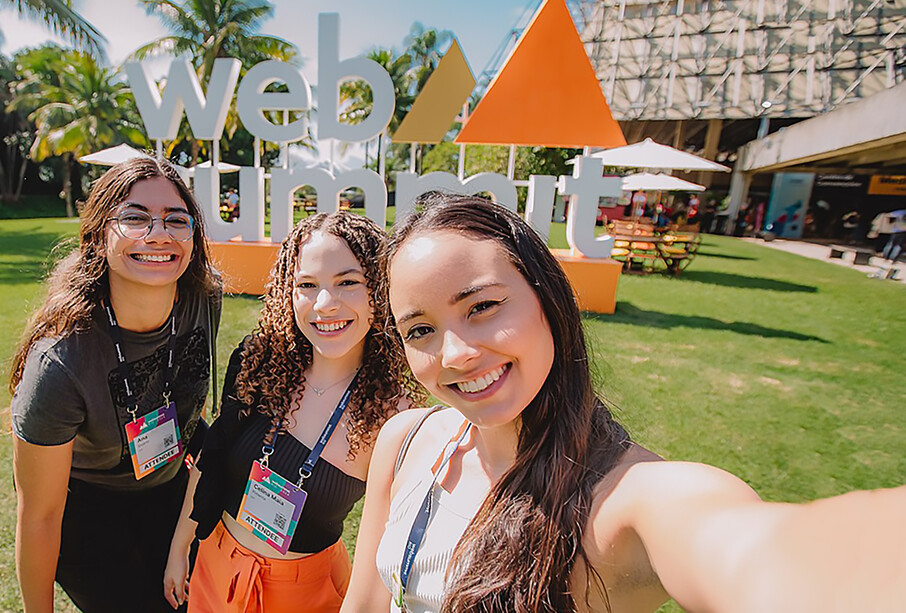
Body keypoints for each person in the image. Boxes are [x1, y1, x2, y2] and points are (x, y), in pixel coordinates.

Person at [343, 192, 906, 613]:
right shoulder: (408, 441)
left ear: (548, 298)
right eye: (420, 331)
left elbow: (752, 551)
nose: (457, 354)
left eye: (483, 306)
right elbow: (365, 605)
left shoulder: (623, 500)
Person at [170, 211, 425, 612]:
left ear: (380, 290)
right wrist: (180, 545)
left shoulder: (396, 417)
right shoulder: (257, 365)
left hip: (306, 594)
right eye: (307, 284)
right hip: (216, 566)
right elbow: (212, 456)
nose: (325, 304)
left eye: (348, 282)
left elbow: (386, 553)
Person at [9, 157, 221, 613]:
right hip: (89, 513)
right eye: (134, 217)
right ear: (98, 238)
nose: (158, 233)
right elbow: (40, 516)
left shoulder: (204, 298)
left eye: (175, 219)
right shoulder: (61, 363)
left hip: (172, 486)